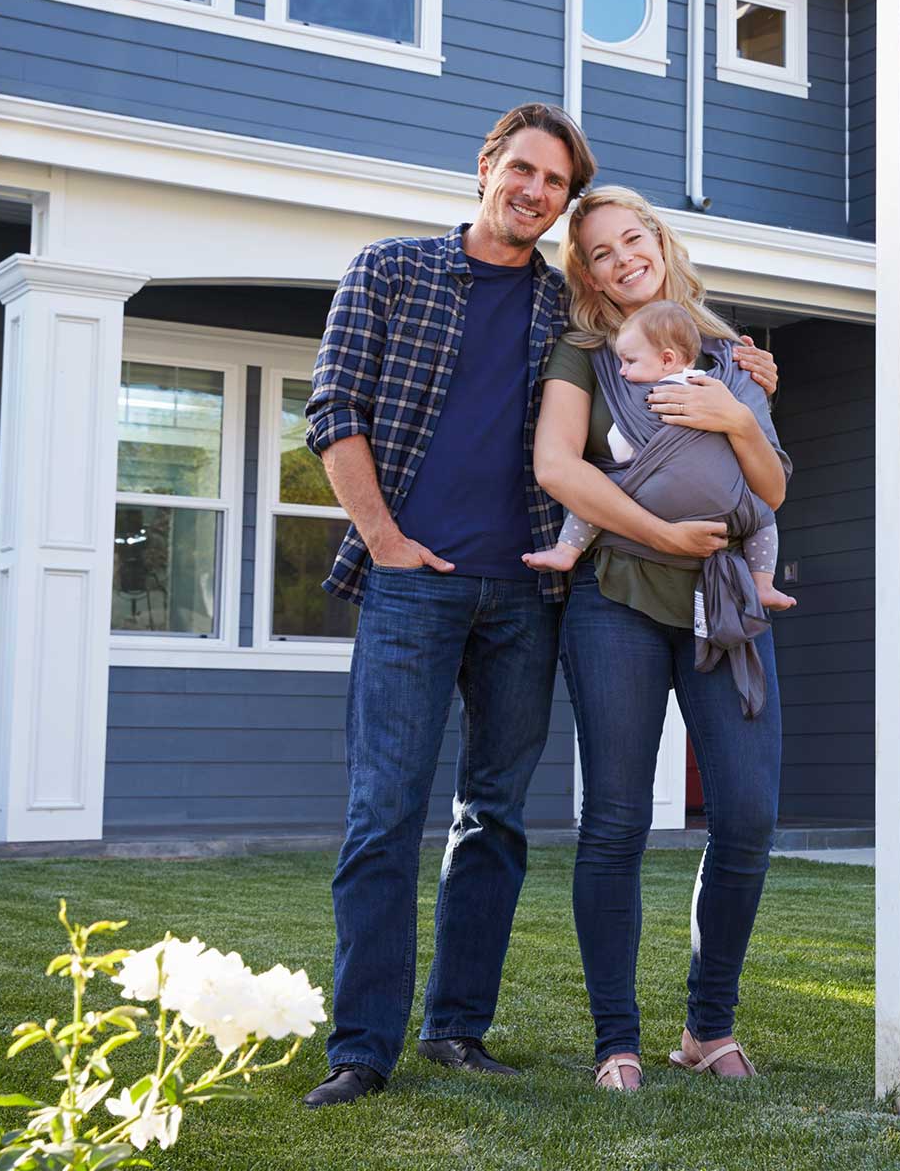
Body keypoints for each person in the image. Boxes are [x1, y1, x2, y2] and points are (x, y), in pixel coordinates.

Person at [297, 105, 777, 1109]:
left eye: (553, 182)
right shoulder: (390, 270)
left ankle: (458, 1028)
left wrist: (743, 369)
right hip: (411, 582)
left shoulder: (571, 309)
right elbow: (334, 407)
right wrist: (384, 538)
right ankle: (363, 1045)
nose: (534, 190)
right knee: (384, 811)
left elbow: (666, 336)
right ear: (487, 167)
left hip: (528, 593)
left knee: (494, 817)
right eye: (523, 169)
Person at [531, 185, 788, 1090]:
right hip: (620, 600)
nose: (620, 259)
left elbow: (773, 489)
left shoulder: (730, 356)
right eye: (599, 252)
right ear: (586, 272)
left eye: (631, 239)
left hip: (722, 604)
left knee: (749, 814)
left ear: (659, 240)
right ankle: (617, 1043)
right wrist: (657, 533)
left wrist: (734, 416)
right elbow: (558, 467)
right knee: (615, 819)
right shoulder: (583, 356)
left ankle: (707, 1029)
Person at [523, 298, 797, 616]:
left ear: (666, 359)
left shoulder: (650, 393)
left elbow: (620, 443)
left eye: (629, 362)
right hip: (684, 538)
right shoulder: (715, 384)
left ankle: (565, 551)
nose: (623, 371)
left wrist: (740, 421)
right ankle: (763, 583)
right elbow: (768, 495)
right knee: (763, 520)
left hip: (672, 525)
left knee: (595, 498)